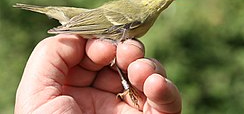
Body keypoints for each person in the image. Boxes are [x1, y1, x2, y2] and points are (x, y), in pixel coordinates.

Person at [15, 34, 182, 114]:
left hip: (106, 61)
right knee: (119, 54)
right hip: (97, 46)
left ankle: (126, 85)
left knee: (126, 59)